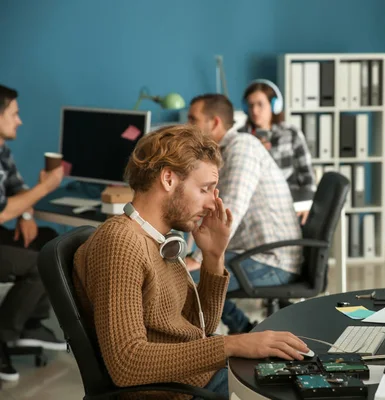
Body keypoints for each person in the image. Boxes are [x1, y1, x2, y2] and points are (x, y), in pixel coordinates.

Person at [72, 125, 309, 398]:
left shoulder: (162, 240)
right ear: (169, 179)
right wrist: (233, 345)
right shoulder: (120, 243)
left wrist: (213, 256)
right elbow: (127, 363)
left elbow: (200, 329)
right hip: (180, 392)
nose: (212, 203)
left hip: (198, 380)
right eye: (205, 189)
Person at [187, 94, 303, 334]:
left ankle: (199, 358)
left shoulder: (242, 148)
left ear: (215, 123)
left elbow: (230, 211)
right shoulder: (221, 153)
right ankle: (244, 331)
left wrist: (197, 259)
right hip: (248, 253)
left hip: (271, 260)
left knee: (185, 283)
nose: (187, 126)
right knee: (183, 273)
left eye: (193, 119)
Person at [0, 84, 66, 382]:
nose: (20, 120)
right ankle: (4, 336)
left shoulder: (2, 150)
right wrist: (45, 188)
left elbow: (16, 187)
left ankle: (30, 323)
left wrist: (27, 213)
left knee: (53, 242)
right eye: (14, 113)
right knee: (44, 264)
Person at [241, 79, 316, 225]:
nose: (255, 111)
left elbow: (307, 175)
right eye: (250, 105)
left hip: (288, 206)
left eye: (260, 104)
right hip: (254, 208)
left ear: (274, 105)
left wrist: (306, 204)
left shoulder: (290, 134)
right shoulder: (241, 138)